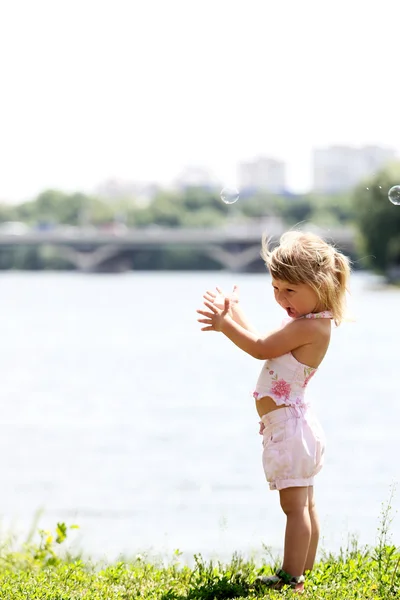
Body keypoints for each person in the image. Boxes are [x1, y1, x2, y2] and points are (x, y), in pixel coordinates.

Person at [197, 231, 351, 594]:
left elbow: (259, 347)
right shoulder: (311, 322)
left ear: (320, 285)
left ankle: (291, 577)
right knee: (305, 503)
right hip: (293, 424)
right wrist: (232, 311)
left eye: (289, 291)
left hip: (289, 427)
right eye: (275, 288)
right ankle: (304, 569)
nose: (281, 299)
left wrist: (223, 326)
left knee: (294, 508)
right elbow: (267, 344)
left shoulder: (310, 326)